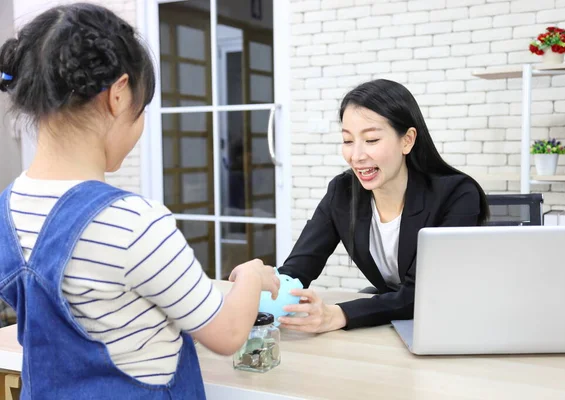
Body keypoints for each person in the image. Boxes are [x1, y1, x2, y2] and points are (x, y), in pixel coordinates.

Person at [0, 3, 279, 399]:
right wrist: (252, 274)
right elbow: (228, 334)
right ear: (118, 95)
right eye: (141, 107)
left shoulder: (7, 208)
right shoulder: (133, 223)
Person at [277, 79, 489, 333]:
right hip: (395, 323)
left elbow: (424, 293)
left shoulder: (457, 194)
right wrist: (266, 285)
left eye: (371, 140)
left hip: (455, 323)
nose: (356, 156)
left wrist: (339, 314)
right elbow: (297, 271)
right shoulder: (342, 192)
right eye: (347, 140)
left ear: (407, 140)